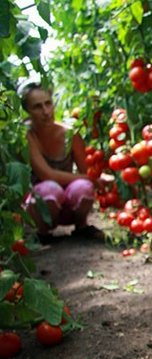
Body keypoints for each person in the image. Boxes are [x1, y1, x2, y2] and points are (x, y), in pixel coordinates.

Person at [19, 81, 101, 243]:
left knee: (84, 188)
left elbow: (87, 171)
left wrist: (94, 178)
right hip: (42, 207)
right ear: (27, 112)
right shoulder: (27, 136)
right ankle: (42, 232)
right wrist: (94, 179)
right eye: (37, 107)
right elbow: (46, 174)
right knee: (50, 190)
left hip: (69, 206)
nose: (46, 111)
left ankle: (81, 226)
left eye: (48, 104)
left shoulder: (70, 134)